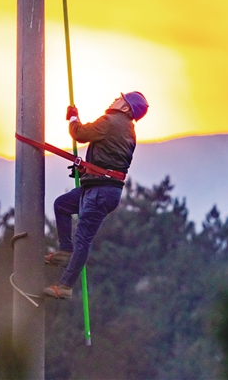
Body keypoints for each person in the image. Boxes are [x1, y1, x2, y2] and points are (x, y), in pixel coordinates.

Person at [43, 91, 149, 300]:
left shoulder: (111, 122)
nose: (114, 100)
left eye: (120, 99)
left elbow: (79, 133)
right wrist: (86, 172)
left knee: (83, 239)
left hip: (100, 192)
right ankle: (65, 251)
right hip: (100, 187)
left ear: (126, 108)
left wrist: (73, 117)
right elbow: (111, 161)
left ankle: (64, 286)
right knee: (62, 205)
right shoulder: (128, 130)